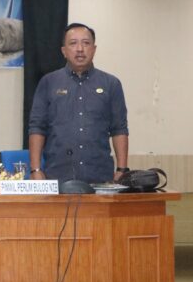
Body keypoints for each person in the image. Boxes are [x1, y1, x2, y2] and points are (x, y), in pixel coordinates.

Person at [28, 23, 129, 183]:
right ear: (64, 51)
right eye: (73, 43)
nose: (80, 49)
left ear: (94, 49)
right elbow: (37, 127)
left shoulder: (111, 84)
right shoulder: (48, 82)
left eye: (86, 43)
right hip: (57, 176)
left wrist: (122, 170)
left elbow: (119, 129)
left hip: (100, 176)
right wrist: (35, 170)